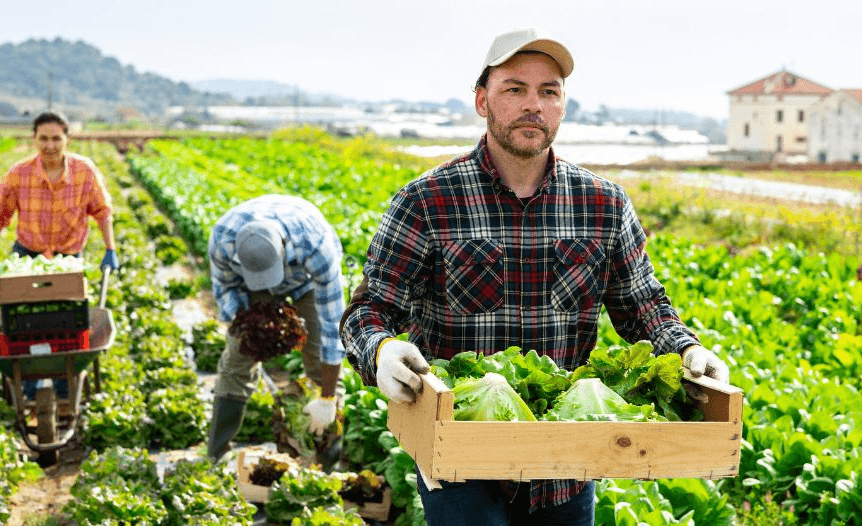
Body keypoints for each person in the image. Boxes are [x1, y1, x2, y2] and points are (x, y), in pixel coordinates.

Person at [340, 28, 730, 526]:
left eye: (549, 91)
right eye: (514, 89)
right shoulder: (427, 201)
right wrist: (380, 349)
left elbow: (642, 307)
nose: (534, 105)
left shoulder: (603, 204)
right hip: (462, 458)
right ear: (482, 101)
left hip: (566, 463)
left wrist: (687, 349)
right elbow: (370, 308)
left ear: (563, 106)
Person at [0, 111, 119, 398]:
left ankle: (65, 387)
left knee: (67, 324)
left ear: (67, 139)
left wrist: (110, 249)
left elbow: (102, 211)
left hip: (68, 259)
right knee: (23, 324)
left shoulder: (84, 170)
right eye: (43, 138)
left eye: (56, 138)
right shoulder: (19, 173)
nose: (50, 145)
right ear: (34, 139)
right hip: (27, 259)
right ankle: (28, 384)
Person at [206, 194, 346, 467]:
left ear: (283, 248)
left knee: (319, 361)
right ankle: (216, 453)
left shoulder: (315, 245)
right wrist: (251, 330)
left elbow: (332, 325)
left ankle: (326, 464)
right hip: (250, 285)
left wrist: (327, 398)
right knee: (237, 359)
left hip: (305, 282)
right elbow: (225, 292)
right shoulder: (222, 240)